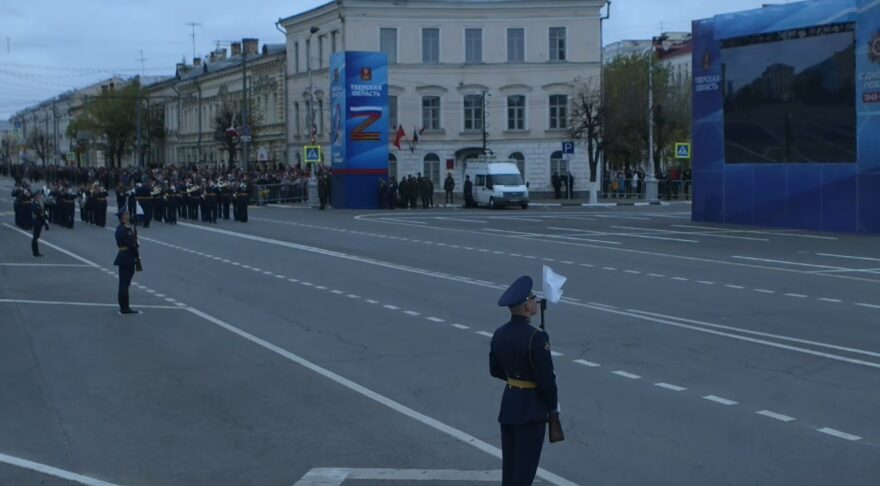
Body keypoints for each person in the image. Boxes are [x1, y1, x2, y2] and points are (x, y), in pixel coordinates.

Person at [490, 276, 559, 486]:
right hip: (531, 409)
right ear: (527, 305)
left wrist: (516, 379)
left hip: (510, 405)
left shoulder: (500, 333)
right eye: (533, 299)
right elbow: (546, 380)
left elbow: (494, 370)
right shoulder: (537, 337)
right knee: (525, 472)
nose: (536, 301)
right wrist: (552, 407)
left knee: (510, 469)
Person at [113, 208, 142, 315]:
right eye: (127, 213)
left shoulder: (121, 228)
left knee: (124, 283)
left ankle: (124, 306)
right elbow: (131, 245)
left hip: (124, 257)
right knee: (124, 284)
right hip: (127, 258)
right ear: (123, 216)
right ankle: (125, 307)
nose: (129, 215)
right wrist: (137, 255)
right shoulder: (125, 230)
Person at [31, 193, 50, 257]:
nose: (40, 196)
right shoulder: (35, 203)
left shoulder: (40, 202)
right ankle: (35, 252)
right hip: (37, 220)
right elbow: (37, 212)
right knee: (35, 237)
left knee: (37, 236)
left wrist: (46, 219)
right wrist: (42, 214)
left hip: (40, 220)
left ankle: (36, 252)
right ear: (36, 196)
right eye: (39, 195)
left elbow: (44, 211)